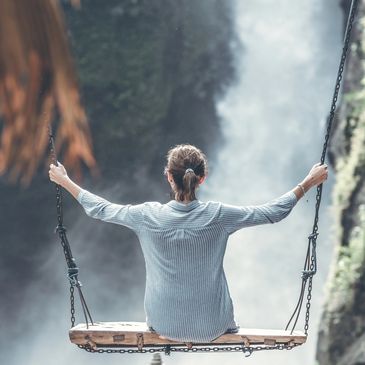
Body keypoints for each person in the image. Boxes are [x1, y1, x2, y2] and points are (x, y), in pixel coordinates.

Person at [49, 144, 328, 343]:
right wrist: (307, 182)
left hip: (163, 324)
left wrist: (65, 181)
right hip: (215, 327)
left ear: (168, 176)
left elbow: (101, 209)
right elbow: (271, 213)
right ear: (202, 179)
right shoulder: (219, 215)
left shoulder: (147, 216)